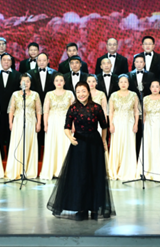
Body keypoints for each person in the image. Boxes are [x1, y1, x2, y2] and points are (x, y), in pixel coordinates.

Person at [47, 82, 115, 221]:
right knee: (80, 176)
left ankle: (95, 207)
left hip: (94, 144)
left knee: (95, 175)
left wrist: (103, 141)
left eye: (83, 91)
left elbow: (104, 126)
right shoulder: (73, 108)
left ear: (88, 92)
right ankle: (81, 208)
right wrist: (70, 137)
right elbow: (66, 127)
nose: (81, 94)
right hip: (78, 144)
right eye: (78, 92)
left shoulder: (96, 107)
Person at [5, 74, 42, 179]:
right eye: (23, 81)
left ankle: (28, 170)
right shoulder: (15, 94)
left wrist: (39, 123)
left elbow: (38, 110)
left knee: (29, 143)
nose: (25, 83)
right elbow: (11, 109)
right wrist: (10, 122)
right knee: (18, 143)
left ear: (31, 83)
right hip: (18, 122)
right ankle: (17, 170)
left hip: (31, 122)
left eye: (28, 81)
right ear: (20, 83)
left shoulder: (35, 94)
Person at [39, 74, 75, 179]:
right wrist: (45, 124)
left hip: (66, 123)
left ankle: (65, 171)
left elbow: (73, 111)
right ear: (54, 82)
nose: (59, 82)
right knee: (52, 145)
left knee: (65, 145)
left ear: (64, 82)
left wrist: (73, 124)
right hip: (53, 122)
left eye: (61, 80)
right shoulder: (49, 94)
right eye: (57, 80)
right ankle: (52, 170)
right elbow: (46, 110)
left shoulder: (69, 93)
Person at [138, 80, 160, 181]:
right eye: (153, 86)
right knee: (149, 145)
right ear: (150, 88)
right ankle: (147, 169)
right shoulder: (145, 99)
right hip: (149, 126)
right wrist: (144, 126)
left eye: (157, 86)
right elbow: (144, 114)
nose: (155, 88)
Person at [107, 75, 140, 180]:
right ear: (118, 83)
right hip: (117, 124)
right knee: (117, 145)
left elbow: (136, 111)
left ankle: (127, 170)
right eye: (121, 82)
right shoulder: (113, 95)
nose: (123, 84)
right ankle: (115, 169)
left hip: (129, 124)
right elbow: (111, 112)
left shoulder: (133, 95)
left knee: (128, 145)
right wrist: (111, 124)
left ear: (128, 83)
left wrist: (136, 124)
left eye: (125, 82)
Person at [0, 53, 21, 156]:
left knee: (11, 132)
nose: (6, 62)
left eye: (8, 60)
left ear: (11, 62)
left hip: (12, 109)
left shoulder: (18, 75)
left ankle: (11, 154)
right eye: (4, 60)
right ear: (0, 61)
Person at [87, 75, 110, 156]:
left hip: (98, 122)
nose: (91, 83)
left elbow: (104, 110)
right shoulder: (83, 94)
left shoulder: (101, 94)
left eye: (93, 81)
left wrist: (104, 123)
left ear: (96, 82)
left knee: (99, 141)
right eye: (89, 81)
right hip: (86, 122)